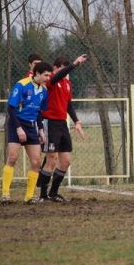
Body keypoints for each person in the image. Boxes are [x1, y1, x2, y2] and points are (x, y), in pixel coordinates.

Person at [37, 54, 87, 202]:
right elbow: (59, 75)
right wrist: (75, 64)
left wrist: (76, 121)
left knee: (65, 161)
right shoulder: (51, 81)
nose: (66, 72)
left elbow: (68, 104)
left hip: (62, 124)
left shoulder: (67, 84)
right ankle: (42, 196)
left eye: (67, 69)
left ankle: (53, 193)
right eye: (62, 68)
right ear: (55, 69)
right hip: (50, 122)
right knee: (51, 159)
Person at [1, 62, 53, 205]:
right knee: (12, 158)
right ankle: (5, 194)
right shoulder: (21, 85)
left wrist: (41, 130)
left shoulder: (44, 91)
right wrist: (18, 128)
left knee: (36, 162)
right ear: (37, 73)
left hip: (31, 127)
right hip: (16, 123)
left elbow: (39, 113)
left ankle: (29, 197)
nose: (48, 78)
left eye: (49, 75)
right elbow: (11, 109)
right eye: (45, 75)